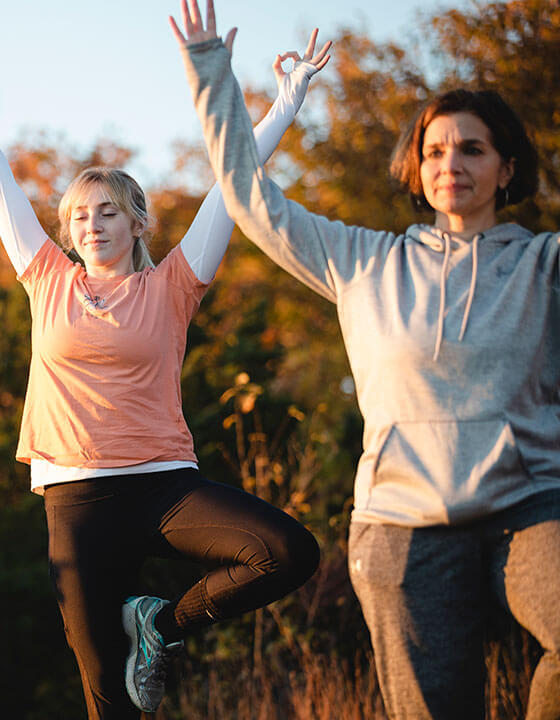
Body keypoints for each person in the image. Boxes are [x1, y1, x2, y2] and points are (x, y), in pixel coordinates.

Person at [177, 1, 560, 718]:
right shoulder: (365, 261)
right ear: (416, 167)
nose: (452, 164)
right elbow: (248, 195)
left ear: (507, 167)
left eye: (472, 149)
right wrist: (212, 74)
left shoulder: (545, 265)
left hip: (531, 506)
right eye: (436, 150)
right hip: (402, 520)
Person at [0, 45, 325, 717]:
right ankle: (140, 644)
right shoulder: (46, 279)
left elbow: (228, 185)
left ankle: (163, 625)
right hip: (76, 504)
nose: (91, 225)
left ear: (136, 222)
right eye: (79, 216)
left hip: (165, 487)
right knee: (111, 703)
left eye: (107, 212)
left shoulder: (173, 285)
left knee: (286, 553)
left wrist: (288, 103)